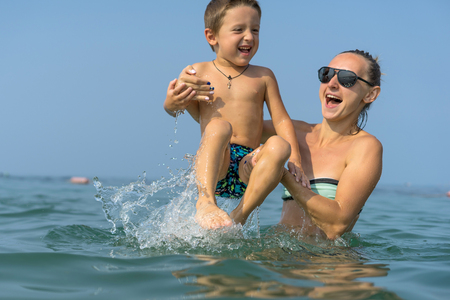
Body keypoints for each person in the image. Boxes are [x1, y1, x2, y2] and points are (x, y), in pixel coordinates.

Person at [170, 49, 383, 240]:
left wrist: (283, 174)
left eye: (347, 79)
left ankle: (237, 218)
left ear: (371, 94)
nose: (332, 84)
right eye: (327, 75)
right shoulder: (295, 133)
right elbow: (226, 127)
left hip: (327, 267)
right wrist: (182, 99)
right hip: (278, 255)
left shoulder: (366, 147)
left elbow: (337, 224)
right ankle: (223, 221)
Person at [163, 0, 307, 230]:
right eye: (239, 29)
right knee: (219, 126)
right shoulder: (198, 72)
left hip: (249, 166)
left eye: (255, 29)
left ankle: (239, 216)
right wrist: (171, 102)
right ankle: (206, 201)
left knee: (280, 145)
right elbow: (177, 108)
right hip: (215, 164)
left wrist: (296, 160)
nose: (249, 36)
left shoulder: (264, 76)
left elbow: (281, 119)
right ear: (212, 36)